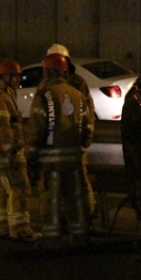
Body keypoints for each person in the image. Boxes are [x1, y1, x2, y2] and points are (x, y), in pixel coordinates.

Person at [25, 52, 94, 243]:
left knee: (51, 202)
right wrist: (83, 144)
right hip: (74, 160)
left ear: (47, 72)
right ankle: (80, 235)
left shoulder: (44, 95)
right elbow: (88, 126)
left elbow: (36, 130)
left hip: (50, 163)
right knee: (76, 200)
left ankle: (52, 238)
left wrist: (30, 157)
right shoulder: (78, 96)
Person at [41, 43, 97, 219]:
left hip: (63, 146)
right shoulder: (50, 85)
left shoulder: (75, 83)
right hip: (65, 146)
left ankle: (80, 218)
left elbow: (88, 114)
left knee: (73, 185)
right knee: (69, 186)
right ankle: (77, 220)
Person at [0, 59, 36, 241]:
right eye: (14, 76)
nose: (17, 80)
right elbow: (2, 128)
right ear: (4, 77)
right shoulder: (3, 99)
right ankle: (20, 230)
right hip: (6, 155)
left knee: (3, 193)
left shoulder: (1, 97)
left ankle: (2, 229)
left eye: (18, 76)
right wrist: (11, 151)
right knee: (18, 190)